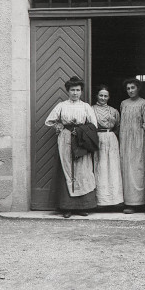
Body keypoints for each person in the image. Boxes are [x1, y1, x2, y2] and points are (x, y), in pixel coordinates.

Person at [44, 75, 99, 218]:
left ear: (81, 91)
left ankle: (82, 207)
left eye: (78, 90)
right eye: (72, 90)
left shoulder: (86, 107)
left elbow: (94, 125)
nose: (75, 93)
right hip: (65, 139)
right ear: (68, 91)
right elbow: (49, 121)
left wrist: (81, 130)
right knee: (67, 169)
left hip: (81, 141)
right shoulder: (61, 106)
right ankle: (66, 207)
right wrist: (59, 125)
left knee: (82, 171)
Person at [119, 79, 145, 214]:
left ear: (138, 88)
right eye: (128, 88)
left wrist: (140, 132)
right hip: (125, 141)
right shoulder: (123, 104)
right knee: (126, 171)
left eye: (133, 88)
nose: (131, 90)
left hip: (138, 141)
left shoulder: (144, 103)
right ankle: (128, 203)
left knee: (138, 171)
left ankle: (141, 203)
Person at [92, 85, 124, 210]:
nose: (103, 98)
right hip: (97, 139)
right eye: (101, 95)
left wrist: (111, 135)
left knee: (112, 167)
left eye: (106, 96)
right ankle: (100, 200)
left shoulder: (114, 110)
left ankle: (115, 200)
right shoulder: (91, 109)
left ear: (109, 97)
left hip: (111, 138)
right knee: (100, 167)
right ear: (97, 96)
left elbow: (118, 127)